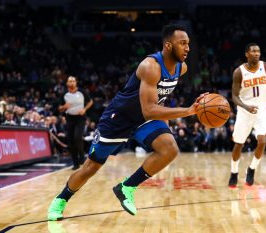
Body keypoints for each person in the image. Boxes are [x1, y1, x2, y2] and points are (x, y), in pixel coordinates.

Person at [48, 24, 205, 220]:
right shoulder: (150, 66)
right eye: (182, 43)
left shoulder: (182, 68)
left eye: (188, 44)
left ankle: (127, 187)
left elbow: (157, 102)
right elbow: (149, 109)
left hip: (144, 119)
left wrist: (166, 125)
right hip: (119, 119)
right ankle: (61, 200)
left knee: (170, 149)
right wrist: (188, 111)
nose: (188, 48)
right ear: (168, 45)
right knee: (91, 167)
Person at [228, 43, 266, 188]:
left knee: (262, 141)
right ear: (247, 54)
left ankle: (251, 169)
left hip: (262, 109)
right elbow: (234, 96)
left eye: (258, 51)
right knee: (239, 144)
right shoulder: (239, 72)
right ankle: (234, 172)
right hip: (245, 111)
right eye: (253, 51)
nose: (257, 53)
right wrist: (245, 106)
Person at [59, 76, 94, 170]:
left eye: (73, 81)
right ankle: (75, 163)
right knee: (70, 142)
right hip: (69, 118)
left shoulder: (82, 92)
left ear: (76, 82)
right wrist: (63, 107)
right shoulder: (64, 94)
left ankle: (82, 156)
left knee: (77, 137)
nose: (71, 83)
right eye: (69, 81)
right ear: (67, 83)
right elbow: (59, 107)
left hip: (80, 118)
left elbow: (90, 101)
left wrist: (84, 109)